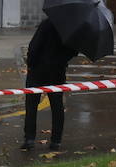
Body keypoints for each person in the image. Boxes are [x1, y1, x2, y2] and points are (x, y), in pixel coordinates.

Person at [21, 15, 78, 151]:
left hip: (38, 70)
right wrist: (61, 60)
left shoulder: (47, 23)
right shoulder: (71, 30)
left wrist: (30, 64)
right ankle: (56, 141)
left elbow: (34, 45)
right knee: (57, 105)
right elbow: (73, 51)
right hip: (57, 71)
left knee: (31, 105)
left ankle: (29, 139)